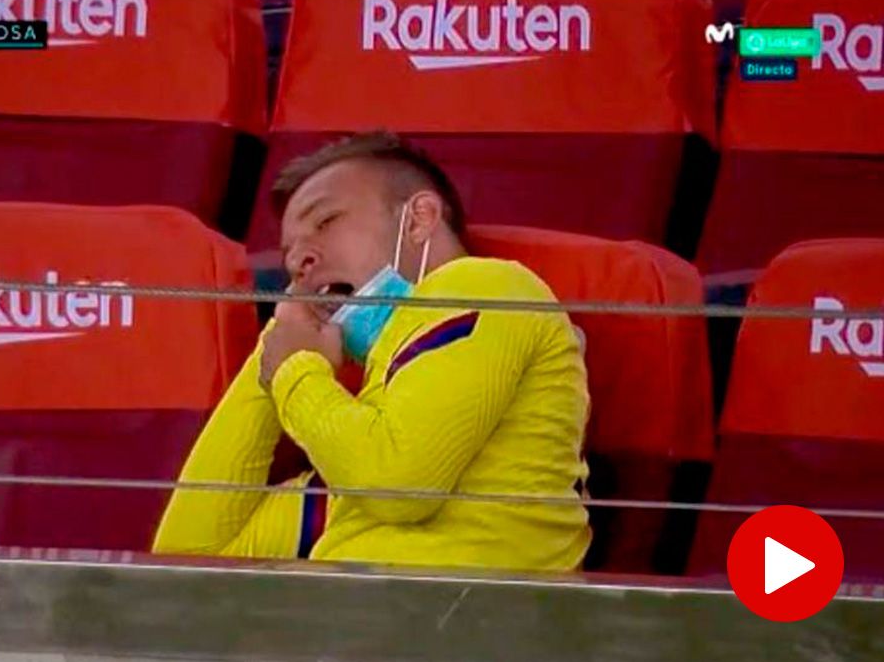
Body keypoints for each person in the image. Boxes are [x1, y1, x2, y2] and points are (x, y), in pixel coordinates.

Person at [153, 131, 591, 571]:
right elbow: (188, 563)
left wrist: (294, 371)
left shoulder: (487, 284)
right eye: (289, 255)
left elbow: (399, 487)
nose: (298, 261)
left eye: (325, 222)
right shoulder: (349, 450)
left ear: (418, 219)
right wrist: (275, 351)